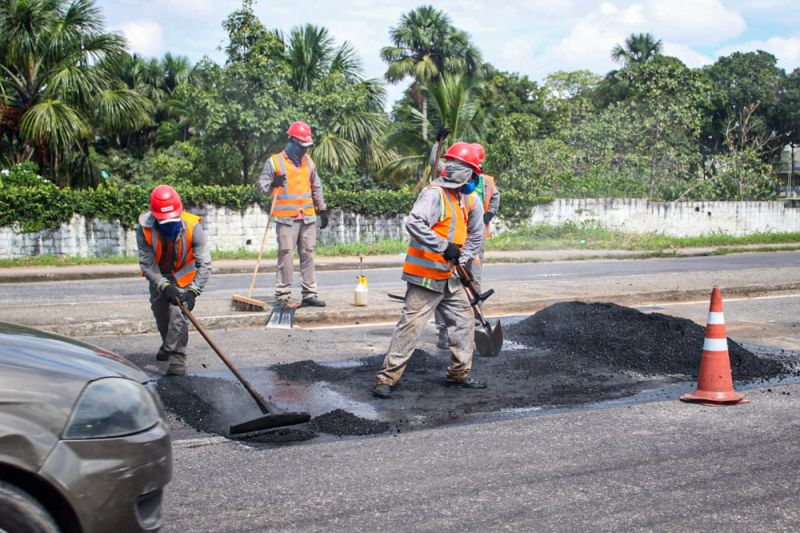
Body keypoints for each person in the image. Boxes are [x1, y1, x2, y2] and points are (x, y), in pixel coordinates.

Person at [373, 142, 486, 399]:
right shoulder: (434, 194)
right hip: (425, 278)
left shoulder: (471, 199)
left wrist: (461, 257)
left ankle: (459, 374)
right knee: (410, 327)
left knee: (464, 324)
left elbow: (476, 237)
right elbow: (414, 223)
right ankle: (386, 379)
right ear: (460, 171)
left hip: (452, 278)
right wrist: (444, 247)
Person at [136, 185, 212, 376]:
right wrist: (164, 285)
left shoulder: (193, 226)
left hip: (184, 276)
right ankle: (168, 345)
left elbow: (205, 264)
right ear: (155, 218)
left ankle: (176, 358)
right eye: (165, 223)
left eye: (173, 221)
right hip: (159, 275)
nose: (170, 226)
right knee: (161, 314)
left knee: (178, 316)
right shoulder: (144, 229)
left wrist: (194, 291)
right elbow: (147, 264)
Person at [436, 142, 501, 349]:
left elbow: (496, 197)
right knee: (446, 285)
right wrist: (438, 144)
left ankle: (475, 326)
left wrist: (489, 213)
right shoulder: (448, 182)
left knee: (473, 282)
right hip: (453, 238)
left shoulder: (485, 182)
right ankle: (444, 331)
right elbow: (434, 163)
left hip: (475, 238)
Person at [257, 121, 328, 307]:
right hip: (286, 219)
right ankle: (282, 294)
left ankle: (309, 294)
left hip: (307, 217)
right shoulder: (274, 162)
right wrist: (273, 183)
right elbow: (261, 187)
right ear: (292, 141)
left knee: (308, 254)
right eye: (302, 146)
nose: (305, 150)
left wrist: (322, 209)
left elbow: (316, 187)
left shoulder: (309, 162)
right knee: (286, 255)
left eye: (307, 146)